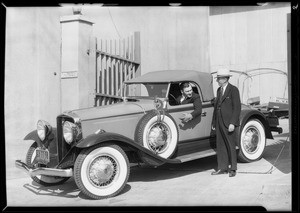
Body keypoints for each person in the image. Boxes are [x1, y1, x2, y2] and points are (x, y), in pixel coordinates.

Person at [211, 68, 241, 177]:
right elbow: (216, 107)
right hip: (219, 122)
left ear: (225, 79)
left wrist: (233, 123)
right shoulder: (219, 90)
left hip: (229, 123)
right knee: (220, 145)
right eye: (218, 78)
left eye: (219, 78)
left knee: (230, 145)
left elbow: (237, 108)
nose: (217, 80)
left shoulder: (233, 90)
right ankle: (222, 168)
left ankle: (233, 168)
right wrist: (214, 123)